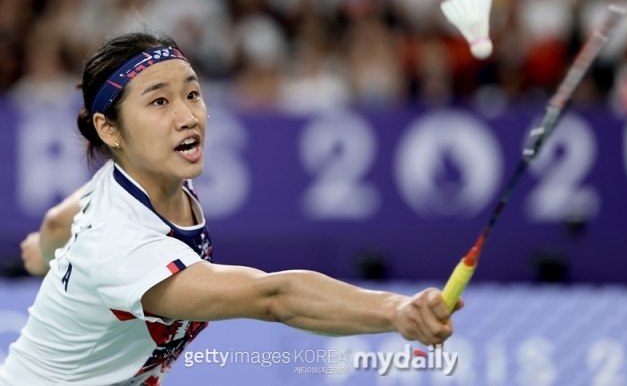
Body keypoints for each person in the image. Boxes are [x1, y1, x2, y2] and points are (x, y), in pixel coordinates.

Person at [4, 32, 462, 386]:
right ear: (109, 129)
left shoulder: (131, 179)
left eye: (193, 93)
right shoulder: (119, 245)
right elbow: (273, 297)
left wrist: (44, 253)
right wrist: (396, 311)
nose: (187, 116)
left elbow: (56, 220)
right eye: (159, 101)